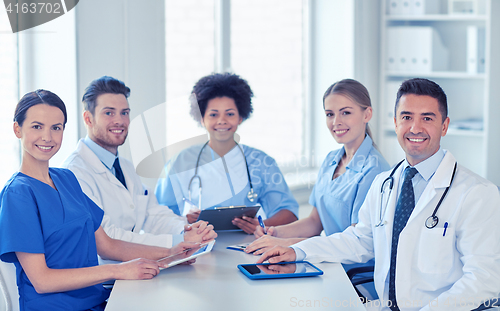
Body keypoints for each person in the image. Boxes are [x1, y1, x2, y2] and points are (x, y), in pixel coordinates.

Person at [257, 78, 500, 311]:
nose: (415, 127)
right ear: (395, 123)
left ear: (444, 126)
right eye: (407, 117)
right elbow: (359, 240)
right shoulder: (384, 183)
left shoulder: (477, 194)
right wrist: (299, 251)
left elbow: (484, 279)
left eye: (427, 118)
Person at [0, 90, 201, 311]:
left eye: (56, 128)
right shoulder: (18, 194)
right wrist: (118, 270)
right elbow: (42, 280)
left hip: (96, 301)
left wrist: (171, 254)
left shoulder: (66, 179)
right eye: (37, 126)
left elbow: (107, 245)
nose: (47, 137)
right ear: (17, 129)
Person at [62, 76, 216, 248]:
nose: (119, 120)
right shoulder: (75, 172)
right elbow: (107, 237)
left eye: (124, 113)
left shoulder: (125, 167)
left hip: (136, 265)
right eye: (108, 113)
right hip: (104, 270)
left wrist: (186, 230)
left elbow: (153, 215)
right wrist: (177, 242)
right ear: (88, 119)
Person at [246, 79, 390, 254]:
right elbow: (315, 221)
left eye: (345, 113)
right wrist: (276, 232)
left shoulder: (375, 171)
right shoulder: (331, 160)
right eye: (330, 114)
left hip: (350, 269)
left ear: (367, 114)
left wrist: (288, 244)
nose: (336, 122)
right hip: (325, 258)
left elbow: (355, 242)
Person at [155, 73, 299, 234]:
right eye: (213, 114)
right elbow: (158, 215)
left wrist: (261, 225)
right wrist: (184, 221)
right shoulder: (180, 162)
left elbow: (288, 213)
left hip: (249, 246)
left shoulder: (261, 161)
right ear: (201, 118)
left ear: (241, 117)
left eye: (230, 114)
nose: (222, 120)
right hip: (195, 247)